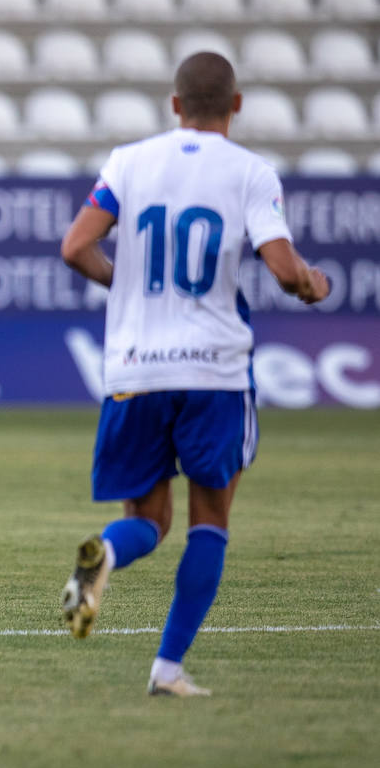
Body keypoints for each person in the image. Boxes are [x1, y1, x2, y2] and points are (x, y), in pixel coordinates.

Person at [58, 52, 330, 697]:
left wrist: (125, 285)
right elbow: (285, 269)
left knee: (149, 519)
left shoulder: (129, 161)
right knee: (210, 519)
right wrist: (313, 283)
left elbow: (75, 247)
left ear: (174, 105)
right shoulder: (249, 172)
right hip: (213, 369)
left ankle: (108, 555)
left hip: (135, 367)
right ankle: (167, 670)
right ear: (236, 106)